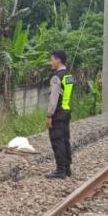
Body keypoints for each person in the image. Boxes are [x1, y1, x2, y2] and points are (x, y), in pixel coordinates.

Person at [45, 49, 75, 179]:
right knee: (65, 140)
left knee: (57, 141)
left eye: (52, 60)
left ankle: (60, 169)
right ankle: (67, 168)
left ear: (58, 60)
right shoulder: (69, 76)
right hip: (66, 111)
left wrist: (49, 115)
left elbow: (54, 98)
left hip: (57, 113)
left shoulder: (57, 77)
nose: (50, 62)